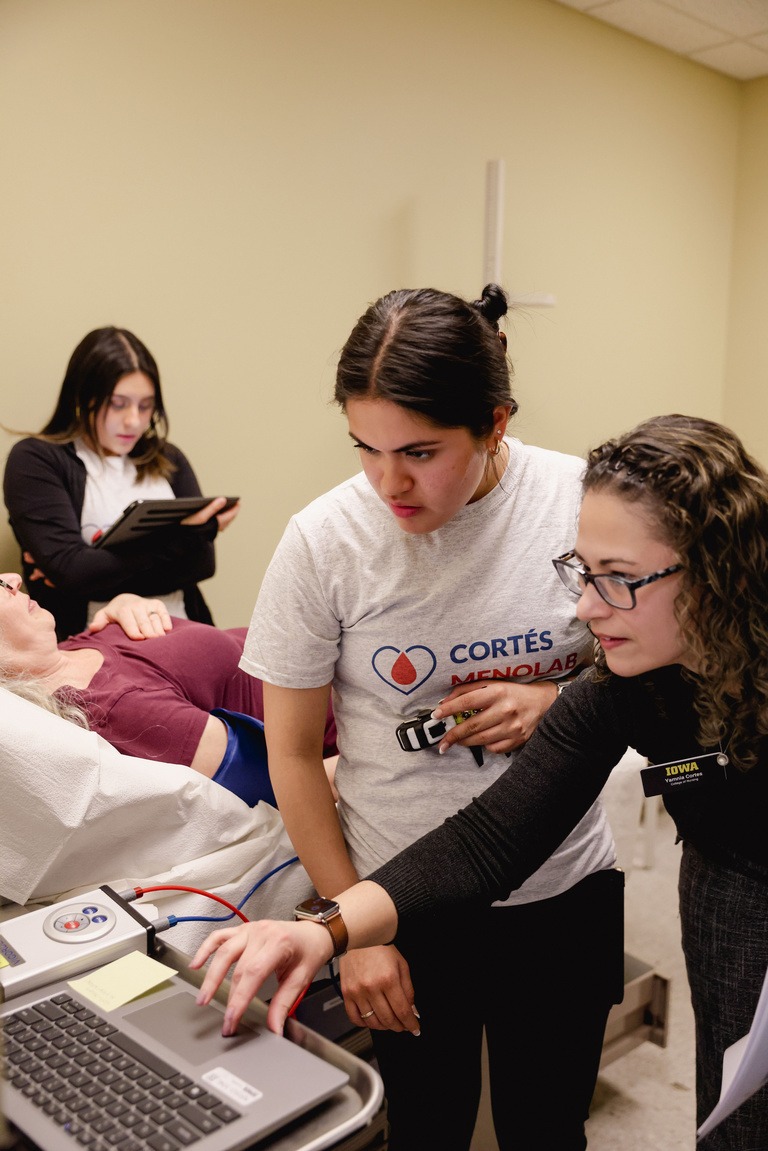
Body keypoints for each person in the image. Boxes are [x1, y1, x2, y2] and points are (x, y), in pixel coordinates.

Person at [193, 413, 768, 1151]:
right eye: (583, 573)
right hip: (729, 864)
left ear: (716, 568)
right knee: (738, 1108)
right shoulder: (624, 685)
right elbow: (489, 837)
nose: (587, 607)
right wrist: (325, 928)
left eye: (618, 580)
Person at [224, 285, 624, 1151]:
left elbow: (638, 662)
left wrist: (556, 702)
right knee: (429, 1129)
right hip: (401, 900)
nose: (388, 481)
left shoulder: (581, 503)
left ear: (496, 423)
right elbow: (294, 754)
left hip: (563, 888)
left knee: (550, 1128)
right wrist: (352, 925)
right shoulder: (324, 542)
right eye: (365, 447)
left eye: (419, 451)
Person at [0, 574, 337, 806]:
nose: (13, 579)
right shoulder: (117, 709)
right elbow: (282, 788)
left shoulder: (69, 651)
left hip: (331, 660)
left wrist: (125, 601)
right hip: (349, 716)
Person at [3, 326, 239, 640]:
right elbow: (74, 573)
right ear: (83, 397)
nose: (134, 421)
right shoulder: (36, 460)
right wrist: (192, 534)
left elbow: (202, 565)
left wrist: (91, 569)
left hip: (186, 634)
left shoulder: (168, 458)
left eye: (145, 406)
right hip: (90, 649)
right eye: (118, 403)